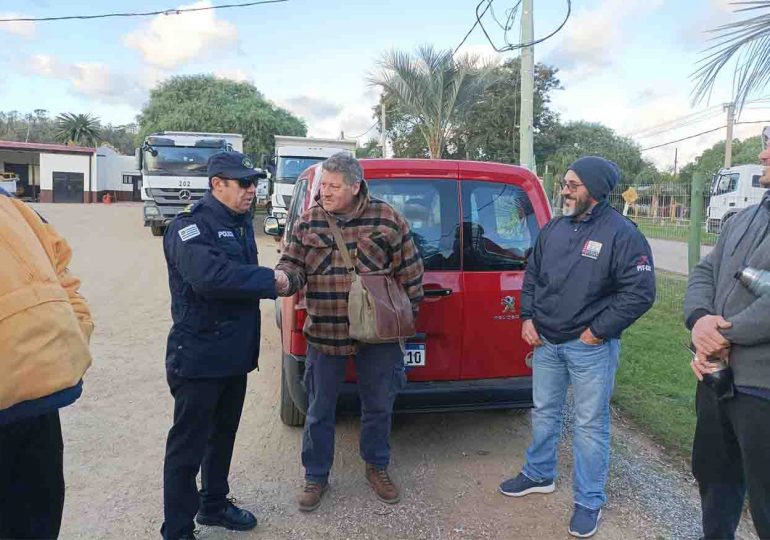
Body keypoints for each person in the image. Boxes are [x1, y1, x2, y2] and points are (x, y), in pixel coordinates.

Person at [498, 156, 655, 538]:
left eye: (573, 184)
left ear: (597, 190)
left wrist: (597, 331)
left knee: (589, 425)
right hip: (547, 342)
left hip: (590, 348)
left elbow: (640, 292)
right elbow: (533, 273)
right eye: (565, 183)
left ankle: (589, 501)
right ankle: (539, 473)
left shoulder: (622, 233)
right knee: (545, 411)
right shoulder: (554, 227)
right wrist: (527, 317)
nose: (565, 190)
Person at [274, 153, 424, 512]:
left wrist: (404, 319)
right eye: (323, 185)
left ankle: (377, 467)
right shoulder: (308, 224)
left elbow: (411, 271)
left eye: (333, 186)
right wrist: (282, 279)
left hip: (378, 336)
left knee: (378, 405)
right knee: (318, 409)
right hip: (325, 333)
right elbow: (292, 266)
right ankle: (316, 475)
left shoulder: (387, 218)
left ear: (355, 187)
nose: (324, 192)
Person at [161, 151, 279, 540]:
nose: (252, 189)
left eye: (254, 182)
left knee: (223, 434)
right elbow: (211, 277)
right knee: (187, 447)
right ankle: (177, 529)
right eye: (243, 182)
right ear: (217, 184)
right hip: (198, 358)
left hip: (232, 355)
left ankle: (213, 505)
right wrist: (273, 281)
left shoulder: (241, 223)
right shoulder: (189, 227)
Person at [683, 143, 770, 540]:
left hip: (762, 391)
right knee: (715, 477)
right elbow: (705, 270)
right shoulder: (744, 218)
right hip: (716, 380)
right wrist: (700, 322)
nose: (764, 155)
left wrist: (719, 337)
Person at [0, 186, 93, 539]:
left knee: (39, 520)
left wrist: (74, 331)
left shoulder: (14, 207)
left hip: (36, 410)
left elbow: (62, 271)